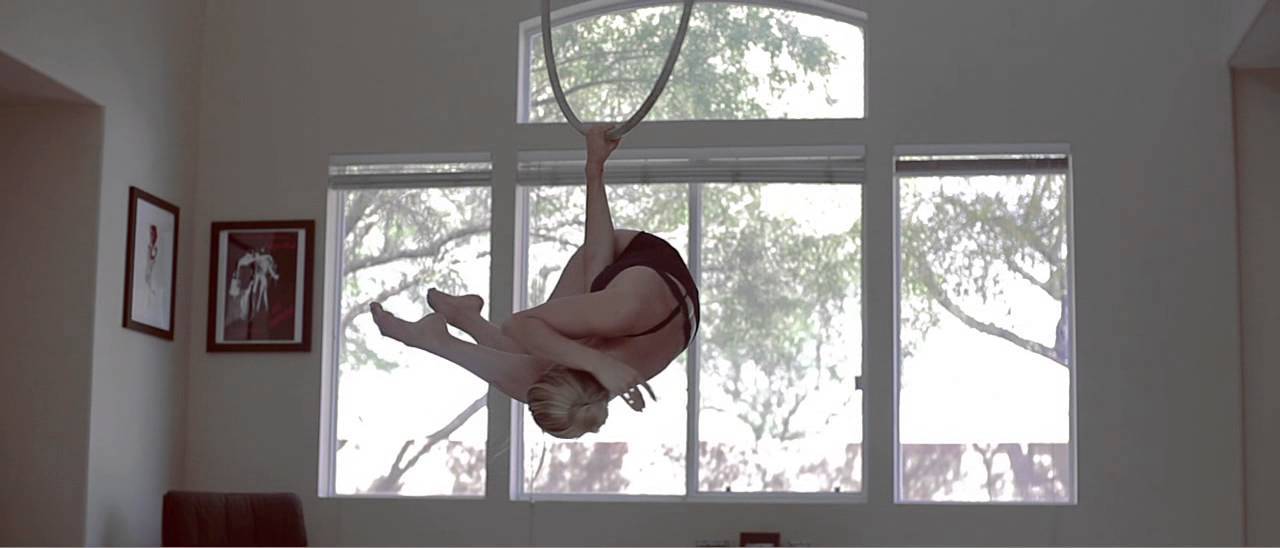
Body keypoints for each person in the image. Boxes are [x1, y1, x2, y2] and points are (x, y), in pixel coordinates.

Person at [370, 125, 700, 439]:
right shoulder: (622, 311)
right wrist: (594, 167)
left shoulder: (605, 380)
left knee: (537, 369)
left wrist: (594, 363)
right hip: (632, 259)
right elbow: (518, 325)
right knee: (537, 355)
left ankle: (456, 324)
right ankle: (450, 331)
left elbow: (545, 361)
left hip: (635, 316)